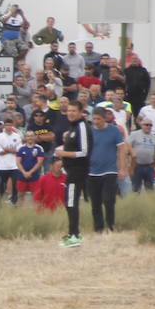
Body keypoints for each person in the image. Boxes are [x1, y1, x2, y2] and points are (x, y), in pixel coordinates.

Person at [56, 99, 92, 247]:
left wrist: (64, 153)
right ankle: (73, 233)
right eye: (69, 110)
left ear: (80, 112)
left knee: (71, 202)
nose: (70, 113)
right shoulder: (73, 126)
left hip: (78, 171)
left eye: (73, 111)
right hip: (71, 170)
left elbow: (84, 151)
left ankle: (74, 235)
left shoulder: (82, 126)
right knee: (70, 202)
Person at [86, 106, 126, 234]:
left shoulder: (114, 131)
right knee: (95, 202)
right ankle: (98, 228)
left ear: (105, 119)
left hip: (110, 170)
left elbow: (121, 150)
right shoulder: (89, 131)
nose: (96, 121)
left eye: (98, 119)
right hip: (92, 171)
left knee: (108, 200)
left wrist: (122, 168)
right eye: (94, 119)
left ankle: (110, 225)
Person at [128, 118, 155, 192]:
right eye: (146, 125)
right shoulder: (134, 134)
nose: (148, 126)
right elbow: (127, 146)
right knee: (136, 188)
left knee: (150, 189)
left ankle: (151, 203)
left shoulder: (154, 137)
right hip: (137, 166)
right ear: (141, 125)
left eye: (150, 125)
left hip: (149, 166)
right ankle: (135, 202)